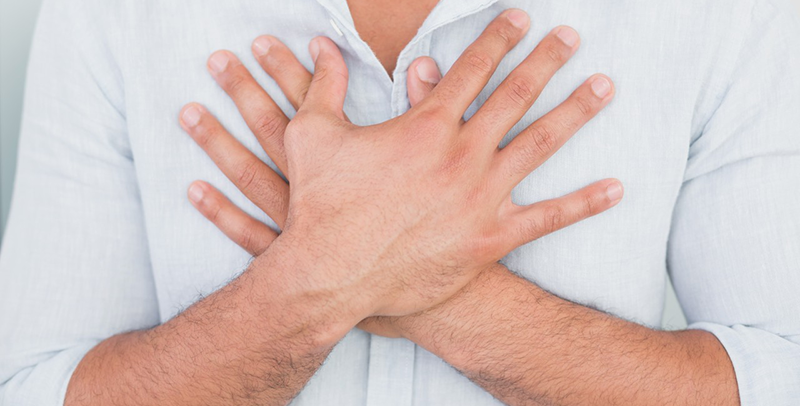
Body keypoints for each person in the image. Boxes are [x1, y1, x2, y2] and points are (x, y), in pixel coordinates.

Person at [1, 0, 799, 404]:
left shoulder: (725, 13)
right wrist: (334, 269)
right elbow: (30, 390)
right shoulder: (110, 12)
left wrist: (359, 262)